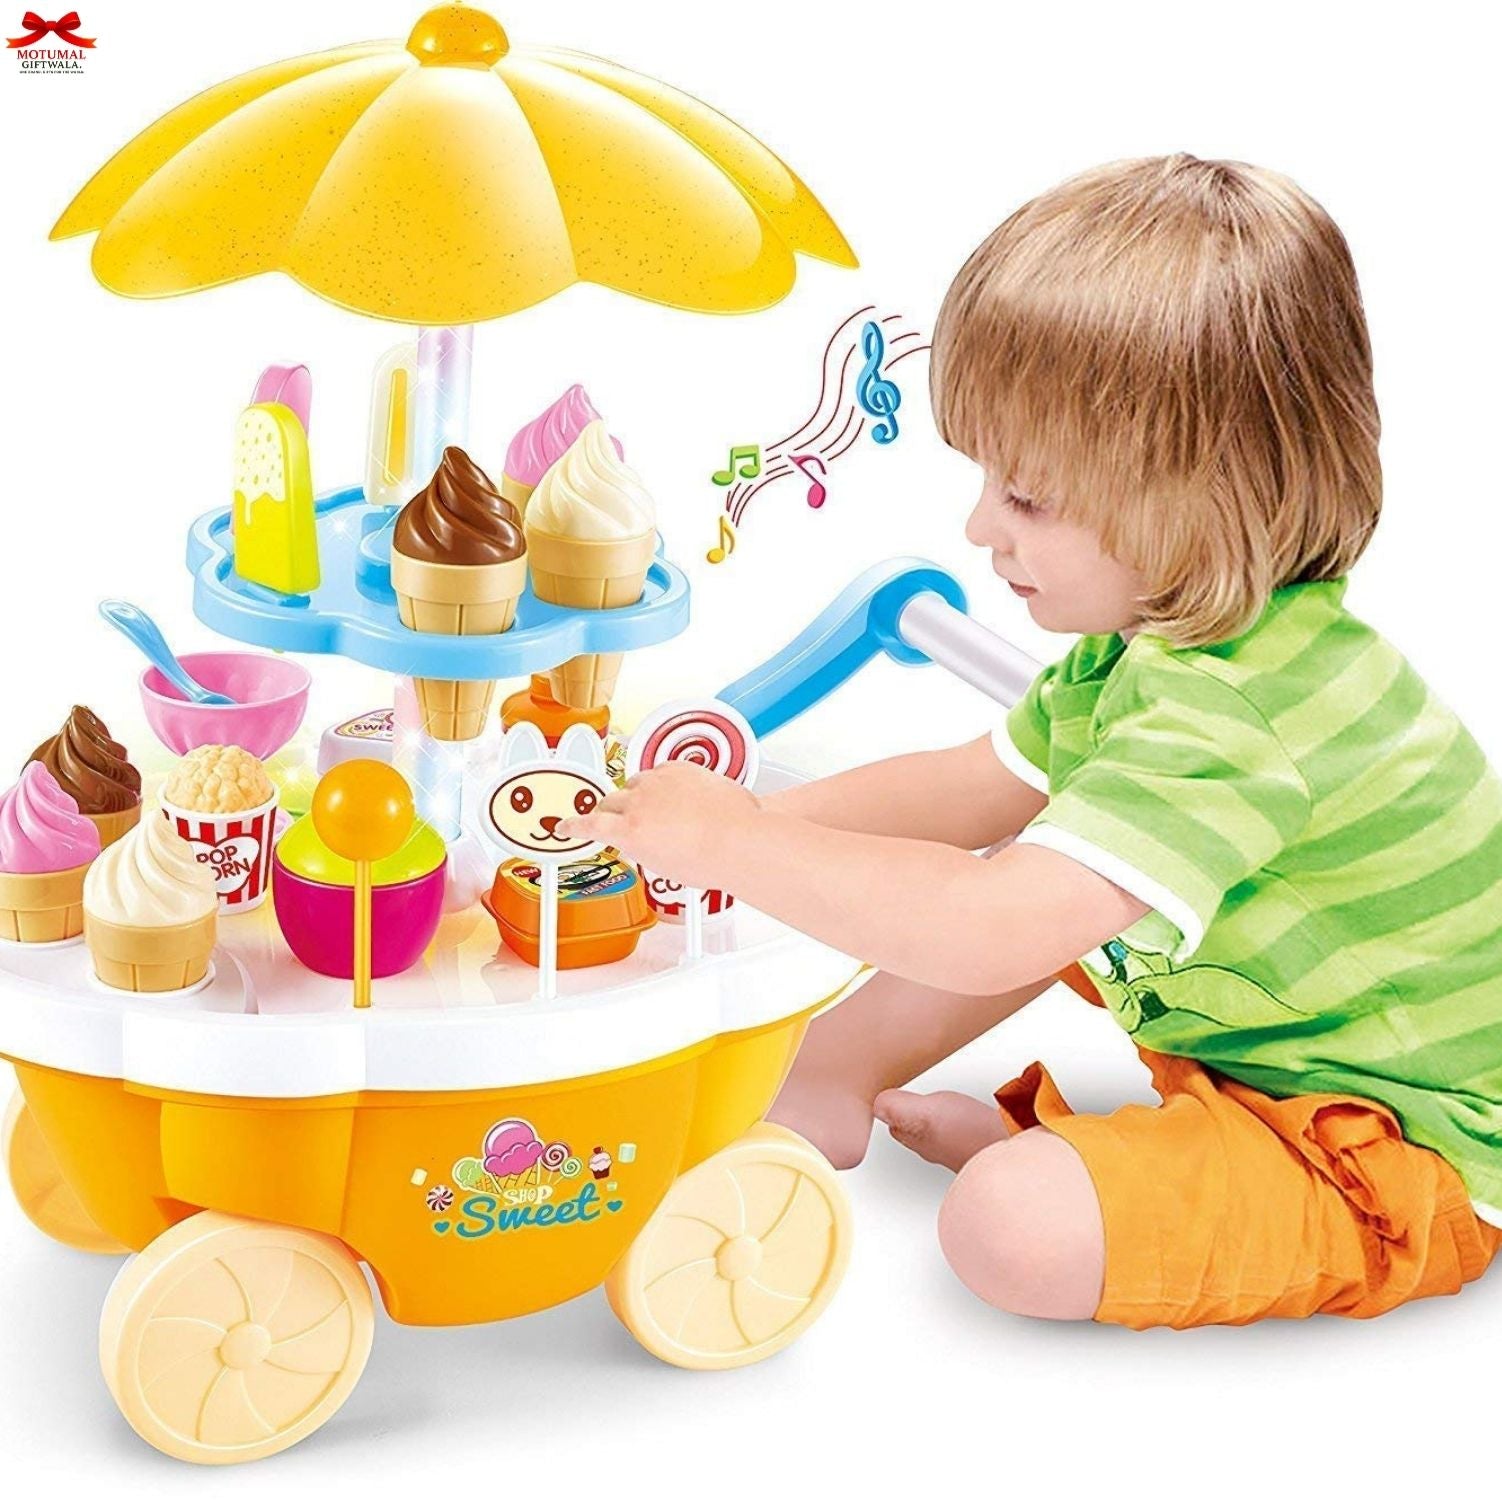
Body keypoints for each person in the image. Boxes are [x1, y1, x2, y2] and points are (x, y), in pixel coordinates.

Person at [563, 156, 1502, 1329]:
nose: (977, 526)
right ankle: (833, 1071)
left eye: (1027, 498)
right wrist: (723, 828)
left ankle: (1118, 1172)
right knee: (1047, 860)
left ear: (1196, 499)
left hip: (1392, 1149)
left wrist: (735, 848)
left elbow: (988, 928)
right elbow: (971, 787)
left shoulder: (1236, 716)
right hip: (1255, 1031)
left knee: (1009, 1217)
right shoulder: (1158, 650)